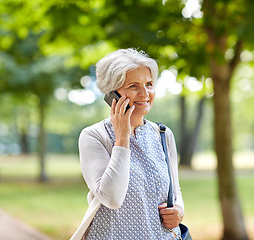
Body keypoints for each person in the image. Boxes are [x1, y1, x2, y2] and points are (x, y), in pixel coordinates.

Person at [70, 48, 185, 240]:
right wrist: (122, 138)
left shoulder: (163, 134)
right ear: (112, 94)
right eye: (133, 86)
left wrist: (179, 210)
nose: (144, 93)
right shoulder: (94, 136)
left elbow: (175, 189)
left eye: (149, 84)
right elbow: (112, 198)